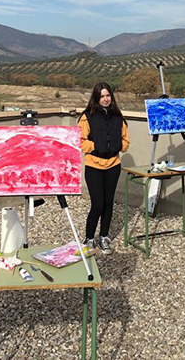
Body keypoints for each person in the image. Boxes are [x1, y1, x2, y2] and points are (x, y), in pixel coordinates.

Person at [78, 82, 129, 255]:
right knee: (97, 204)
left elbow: (125, 142)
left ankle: (104, 237)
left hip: (113, 165)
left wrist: (117, 145)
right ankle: (89, 238)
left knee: (108, 203)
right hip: (94, 165)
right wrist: (97, 145)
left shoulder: (118, 117)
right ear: (96, 98)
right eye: (102, 96)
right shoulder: (87, 116)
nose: (106, 99)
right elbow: (80, 141)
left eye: (108, 95)